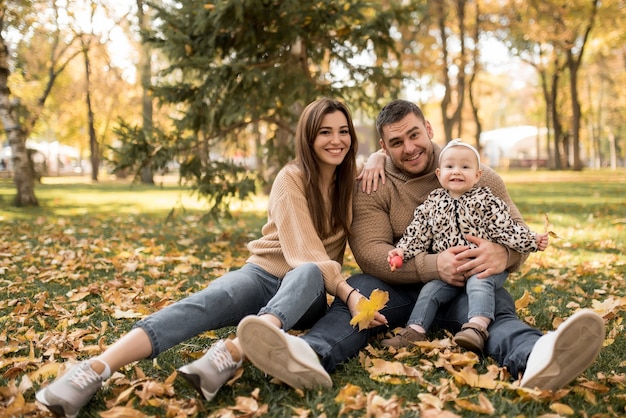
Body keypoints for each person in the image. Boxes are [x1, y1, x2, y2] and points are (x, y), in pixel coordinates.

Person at [234, 99, 605, 393]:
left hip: (464, 286)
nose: (409, 148)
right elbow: (370, 251)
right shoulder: (372, 183)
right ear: (384, 147)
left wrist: (506, 254)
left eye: (414, 135)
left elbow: (516, 230)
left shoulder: (478, 173)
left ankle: (538, 356)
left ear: (428, 129)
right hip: (394, 288)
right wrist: (433, 265)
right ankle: (308, 357)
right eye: (396, 143)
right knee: (354, 303)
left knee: (498, 312)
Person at [35, 97, 363, 417]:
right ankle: (95, 369)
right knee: (206, 302)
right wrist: (349, 293)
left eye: (343, 131)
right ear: (308, 137)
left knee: (306, 272)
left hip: (308, 291)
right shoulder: (290, 179)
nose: (336, 140)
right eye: (325, 132)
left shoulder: (353, 179)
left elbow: (308, 259)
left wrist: (376, 160)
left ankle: (233, 351)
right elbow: (301, 246)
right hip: (262, 275)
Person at [381, 138, 549, 352]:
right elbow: (418, 233)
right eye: (450, 167)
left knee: (479, 283)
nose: (457, 171)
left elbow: (507, 229)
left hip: (483, 268)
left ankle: (477, 328)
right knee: (430, 290)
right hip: (453, 272)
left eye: (465, 167)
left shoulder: (487, 201)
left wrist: (532, 240)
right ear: (439, 174)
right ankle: (414, 330)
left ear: (478, 175)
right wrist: (402, 251)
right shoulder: (433, 204)